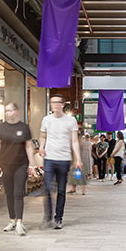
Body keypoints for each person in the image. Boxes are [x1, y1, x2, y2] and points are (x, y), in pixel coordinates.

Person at [39, 94, 82, 229]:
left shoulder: (71, 121)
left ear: (63, 104)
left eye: (57, 103)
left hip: (64, 159)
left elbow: (74, 141)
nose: (55, 105)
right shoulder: (46, 120)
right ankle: (48, 217)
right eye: (52, 103)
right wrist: (41, 146)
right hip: (49, 158)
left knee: (61, 191)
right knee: (47, 188)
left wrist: (78, 158)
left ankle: (58, 218)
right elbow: (42, 136)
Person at [0, 102, 36, 237]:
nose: (7, 113)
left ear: (16, 112)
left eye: (10, 110)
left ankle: (19, 222)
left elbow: (29, 146)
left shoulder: (24, 128)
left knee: (18, 193)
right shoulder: (1, 127)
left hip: (21, 164)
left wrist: (32, 165)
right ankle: (12, 220)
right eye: (6, 111)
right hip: (5, 164)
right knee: (9, 193)